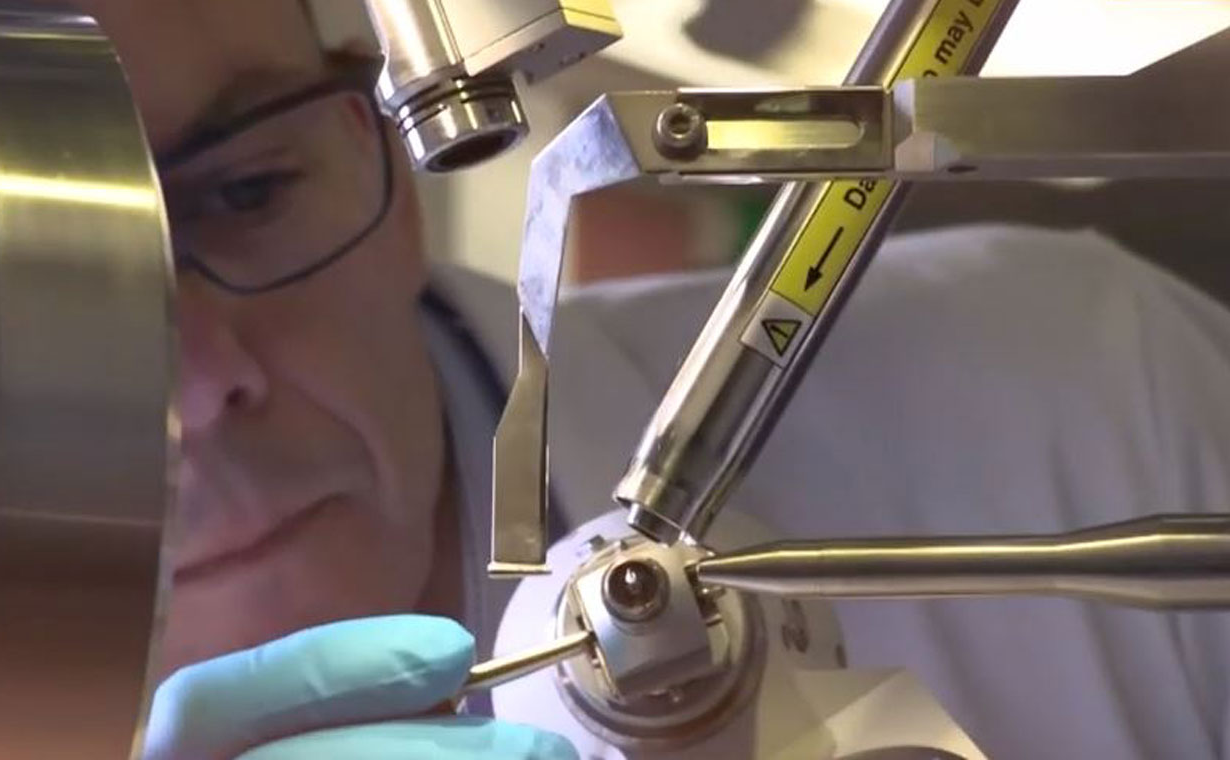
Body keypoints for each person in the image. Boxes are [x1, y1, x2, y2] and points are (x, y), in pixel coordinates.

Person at [71, 1, 1230, 758]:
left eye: (250, 190)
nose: (197, 388)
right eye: (32, 296)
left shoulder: (1073, 385)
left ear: (394, 155)